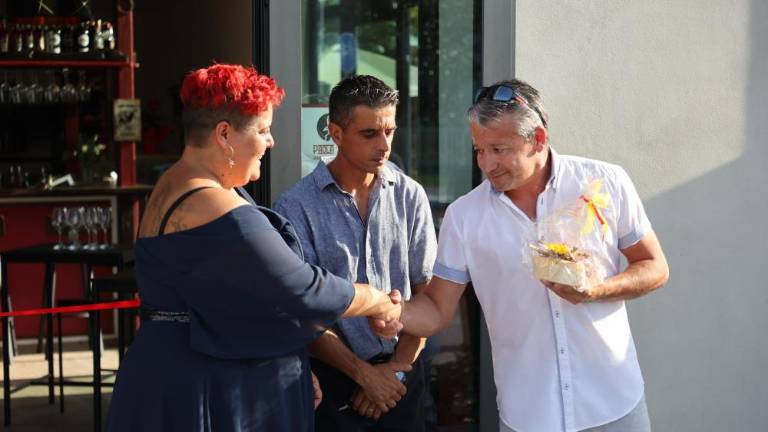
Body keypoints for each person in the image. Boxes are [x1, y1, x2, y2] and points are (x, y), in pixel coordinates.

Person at [106, 64, 402, 432]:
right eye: (262, 130)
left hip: (183, 375)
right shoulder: (209, 201)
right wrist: (375, 299)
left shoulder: (180, 182)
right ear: (224, 134)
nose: (271, 141)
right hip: (202, 386)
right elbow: (303, 290)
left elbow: (236, 295)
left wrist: (292, 354)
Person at [388, 79, 670, 432]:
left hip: (614, 405)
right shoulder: (464, 216)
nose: (486, 164)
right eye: (479, 150)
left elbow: (654, 266)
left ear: (538, 138)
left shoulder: (605, 181)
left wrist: (597, 290)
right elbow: (436, 308)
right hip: (529, 414)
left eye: (498, 149)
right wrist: (392, 311)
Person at [274, 75, 437, 432]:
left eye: (390, 131)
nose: (384, 145)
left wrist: (394, 373)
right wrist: (365, 376)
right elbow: (302, 312)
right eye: (369, 134)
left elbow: (428, 296)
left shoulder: (410, 195)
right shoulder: (295, 206)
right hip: (333, 382)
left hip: (404, 374)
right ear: (335, 133)